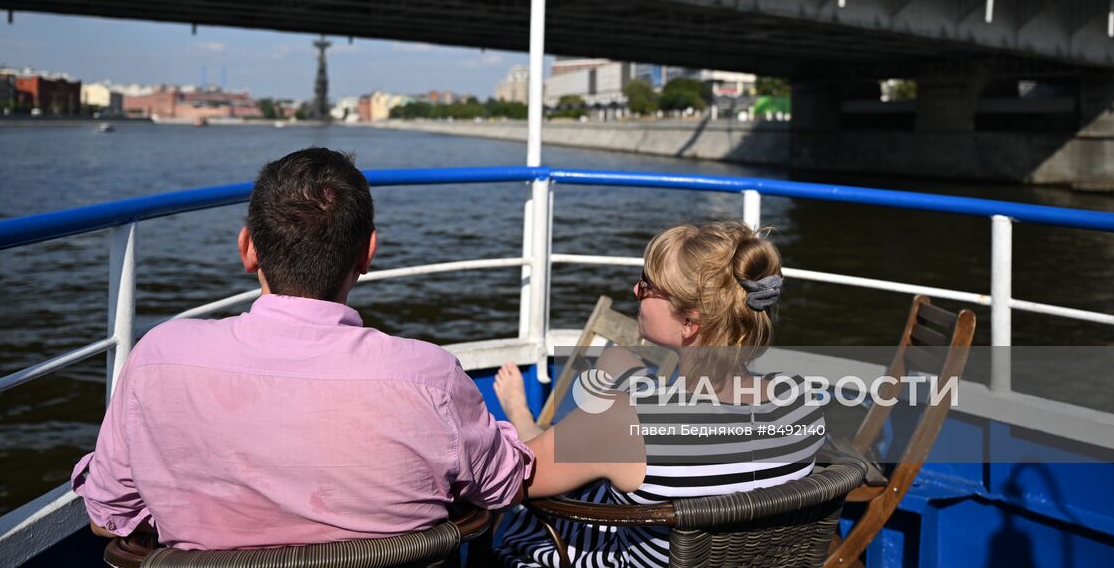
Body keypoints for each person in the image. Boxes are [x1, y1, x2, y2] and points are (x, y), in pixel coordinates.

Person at [72, 147, 531, 550]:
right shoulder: (428, 377)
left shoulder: (158, 357)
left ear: (247, 248)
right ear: (367, 253)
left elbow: (106, 518)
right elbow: (507, 483)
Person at [491, 220, 824, 568]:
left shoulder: (625, 421)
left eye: (648, 287)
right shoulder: (802, 402)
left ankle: (528, 423)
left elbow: (512, 478)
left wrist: (519, 415)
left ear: (690, 323)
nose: (636, 290)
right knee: (617, 359)